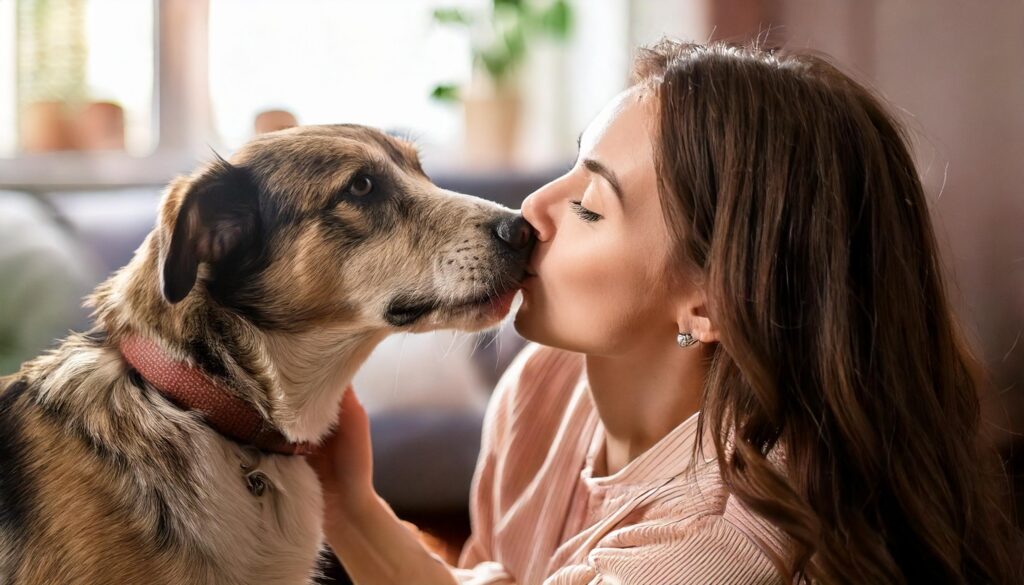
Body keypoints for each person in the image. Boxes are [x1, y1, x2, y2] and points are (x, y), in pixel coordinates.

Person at [307, 40, 1022, 584]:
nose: (530, 211)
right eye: (573, 165)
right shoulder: (545, 387)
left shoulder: (719, 545)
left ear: (710, 303)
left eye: (589, 208)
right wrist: (344, 496)